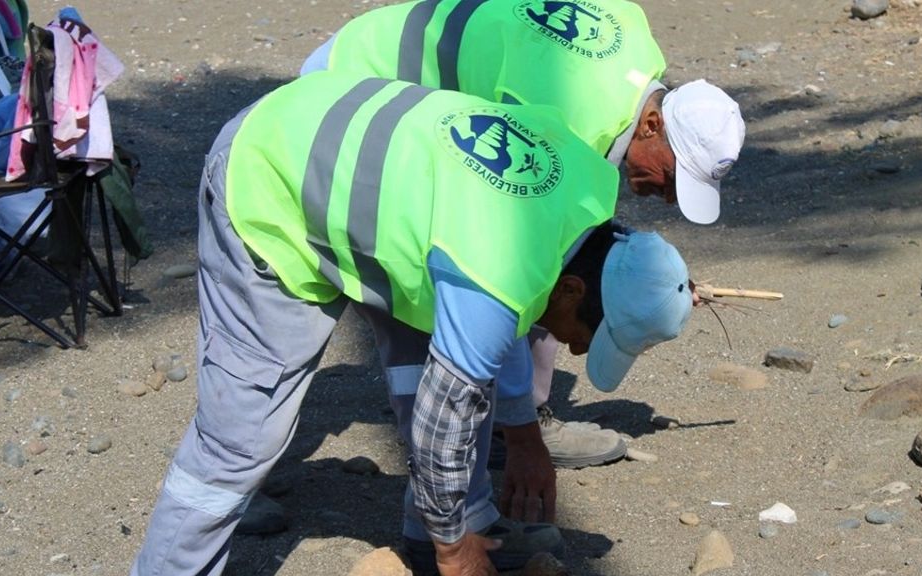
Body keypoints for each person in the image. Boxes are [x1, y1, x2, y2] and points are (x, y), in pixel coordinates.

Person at [98, 70, 693, 576]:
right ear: (572, 288)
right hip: (272, 175)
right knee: (244, 429)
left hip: (375, 177)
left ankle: (442, 530)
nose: (574, 350)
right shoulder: (495, 267)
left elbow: (483, 360)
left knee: (437, 370)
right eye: (586, 335)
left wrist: (520, 446)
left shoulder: (591, 197)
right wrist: (452, 545)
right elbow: (445, 419)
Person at [299, 0, 744, 472]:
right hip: (353, 89)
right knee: (433, 281)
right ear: (652, 124)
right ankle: (497, 430)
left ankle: (506, 420)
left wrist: (654, 278)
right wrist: (524, 436)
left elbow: (573, 253)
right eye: (675, 178)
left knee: (552, 261)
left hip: (383, 61)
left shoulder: (635, 54)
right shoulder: (568, 124)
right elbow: (511, 267)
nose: (671, 199)